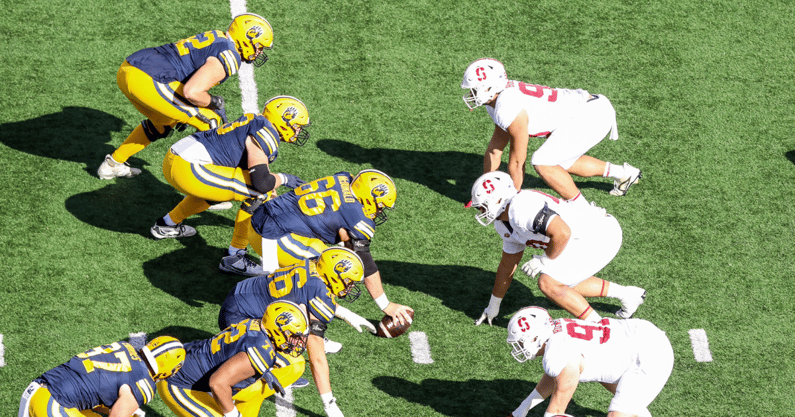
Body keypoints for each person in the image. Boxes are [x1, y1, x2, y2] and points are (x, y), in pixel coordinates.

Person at [149, 95, 311, 277]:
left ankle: (167, 224)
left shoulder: (256, 120)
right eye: (296, 125)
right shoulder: (266, 134)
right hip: (189, 167)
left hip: (177, 157)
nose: (298, 131)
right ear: (283, 120)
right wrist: (285, 178)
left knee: (223, 190)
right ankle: (235, 257)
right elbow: (261, 182)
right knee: (258, 194)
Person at [98, 13, 273, 180]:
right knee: (210, 120)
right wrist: (214, 102)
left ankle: (112, 164)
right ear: (247, 38)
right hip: (150, 78)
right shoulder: (230, 55)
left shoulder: (218, 37)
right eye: (259, 46)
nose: (259, 52)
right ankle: (205, 192)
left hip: (130, 68)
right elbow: (192, 92)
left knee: (163, 123)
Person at [241, 169, 415, 326]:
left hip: (257, 220)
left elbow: (334, 219)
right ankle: (307, 326)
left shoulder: (343, 178)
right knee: (330, 268)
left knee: (330, 255)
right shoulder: (358, 218)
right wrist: (386, 305)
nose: (379, 211)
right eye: (379, 206)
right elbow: (367, 264)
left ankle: (240, 257)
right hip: (272, 237)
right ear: (369, 197)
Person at [470, 171, 646, 325]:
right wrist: (494, 304)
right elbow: (507, 265)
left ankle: (602, 328)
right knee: (560, 279)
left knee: (548, 282)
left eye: (482, 206)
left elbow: (562, 233)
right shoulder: (504, 223)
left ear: (498, 200)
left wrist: (546, 260)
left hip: (599, 235)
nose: (480, 211)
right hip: (580, 239)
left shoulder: (520, 209)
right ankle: (628, 295)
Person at [461, 58, 642, 206]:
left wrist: (509, 202)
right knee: (560, 163)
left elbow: (517, 162)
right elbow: (495, 150)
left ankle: (583, 211)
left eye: (475, 88)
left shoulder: (507, 106)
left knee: (542, 161)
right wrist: (485, 190)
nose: (471, 93)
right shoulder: (498, 102)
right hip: (590, 109)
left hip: (590, 115)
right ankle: (624, 174)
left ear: (490, 88)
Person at [219, 247, 376, 417]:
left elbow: (308, 293)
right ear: (334, 274)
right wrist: (329, 403)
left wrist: (346, 314)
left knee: (293, 332)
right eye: (349, 281)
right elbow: (316, 358)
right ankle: (229, 391)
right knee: (293, 362)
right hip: (241, 317)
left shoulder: (315, 265)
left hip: (242, 298)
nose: (350, 286)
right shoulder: (318, 290)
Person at [504, 306, 674, 417]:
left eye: (520, 342)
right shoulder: (557, 330)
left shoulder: (556, 355)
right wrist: (521, 411)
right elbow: (556, 375)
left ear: (535, 338)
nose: (518, 348)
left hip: (647, 355)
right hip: (638, 336)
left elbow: (555, 412)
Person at [158, 301, 309, 417]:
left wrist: (263, 371)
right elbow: (217, 383)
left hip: (188, 364)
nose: (297, 342)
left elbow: (237, 353)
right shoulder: (260, 350)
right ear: (277, 329)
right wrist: (233, 414)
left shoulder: (256, 324)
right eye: (294, 335)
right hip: (179, 383)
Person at [19, 336, 185, 417]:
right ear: (169, 370)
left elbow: (96, 387)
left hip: (37, 390)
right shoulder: (144, 383)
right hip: (55, 403)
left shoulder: (124, 346)